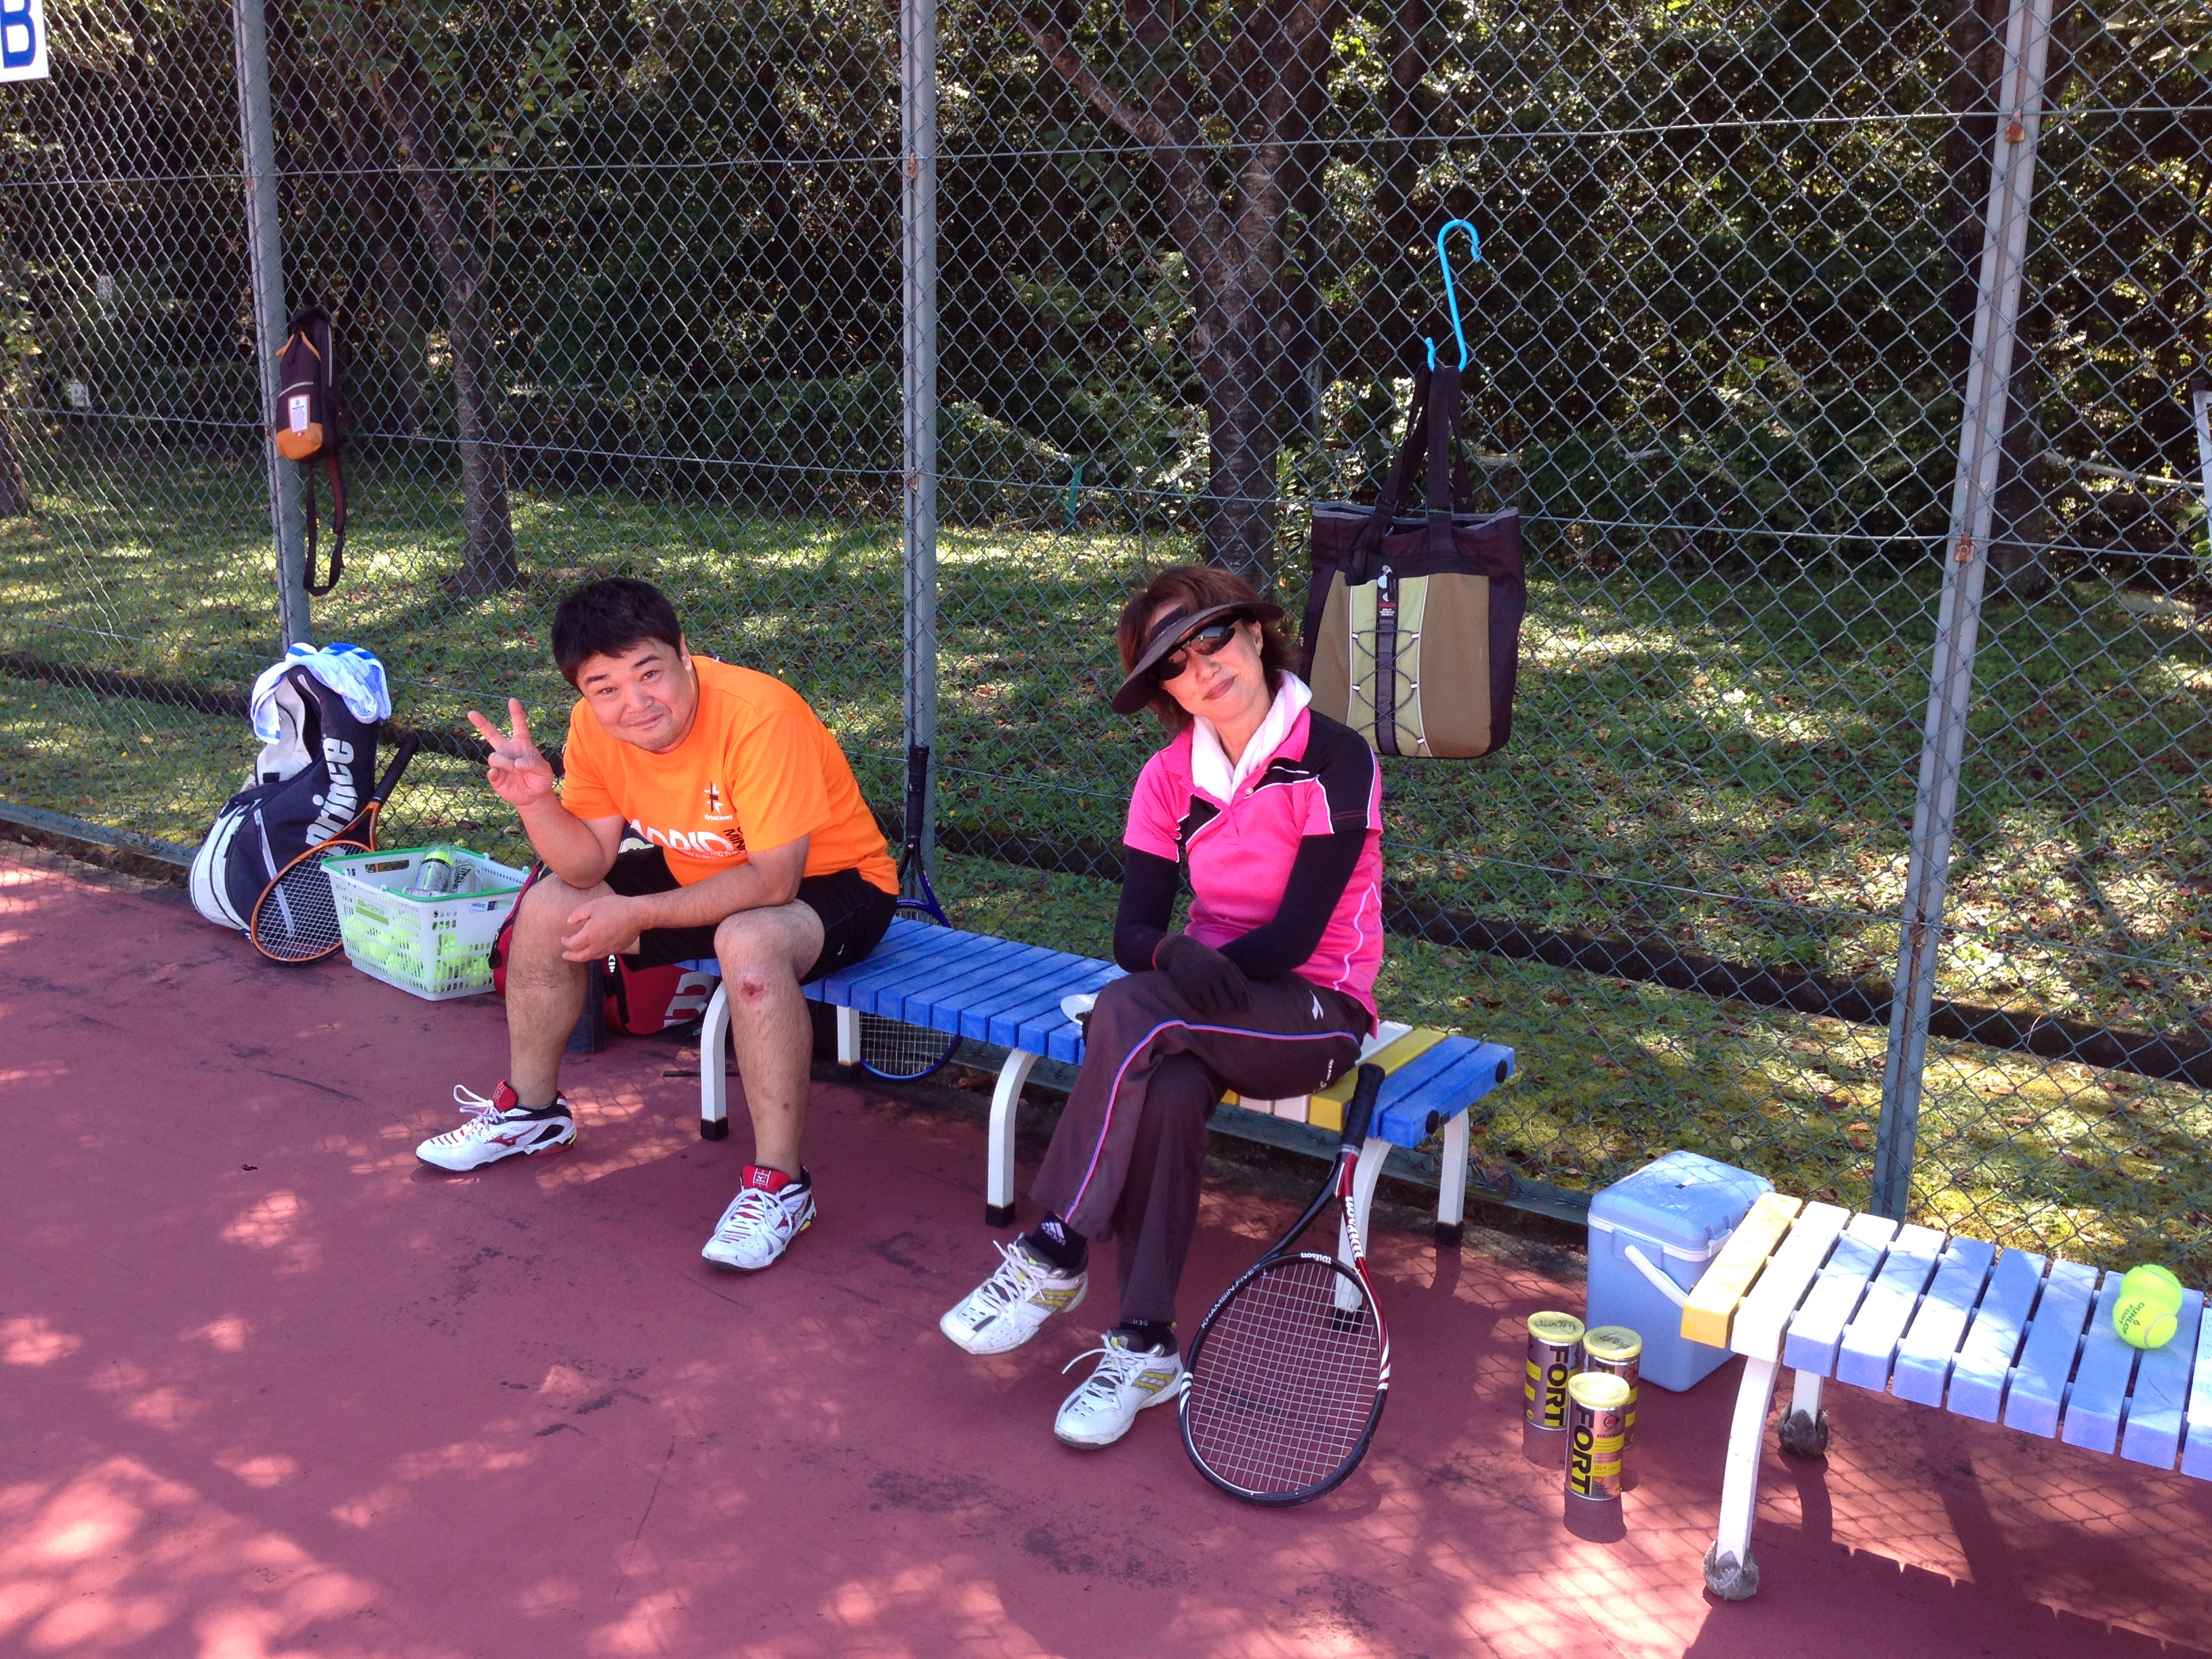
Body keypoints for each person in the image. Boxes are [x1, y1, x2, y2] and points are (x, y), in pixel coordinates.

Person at [939, 565, 1384, 1448]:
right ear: (1165, 692)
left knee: (1130, 1012)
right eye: (1173, 664)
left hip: (1317, 1012)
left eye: (1212, 638)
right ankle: (1145, 1345)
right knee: (1167, 1085)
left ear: (1254, 634)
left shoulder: (1337, 757)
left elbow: (1294, 937)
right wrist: (1174, 957)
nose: (1202, 668)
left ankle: (1057, 1247)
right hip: (1197, 1010)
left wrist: (1166, 983)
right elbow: (1134, 929)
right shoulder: (1167, 778)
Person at [415, 577, 897, 1273]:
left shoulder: (760, 716)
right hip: (703, 871)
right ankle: (533, 1114)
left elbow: (774, 882)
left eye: (649, 674)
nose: (635, 703)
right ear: (583, 693)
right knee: (549, 906)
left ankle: (781, 1187)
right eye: (605, 687)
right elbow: (587, 864)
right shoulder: (594, 728)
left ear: (684, 652)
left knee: (748, 940)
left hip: (838, 882)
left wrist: (637, 915)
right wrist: (537, 803)